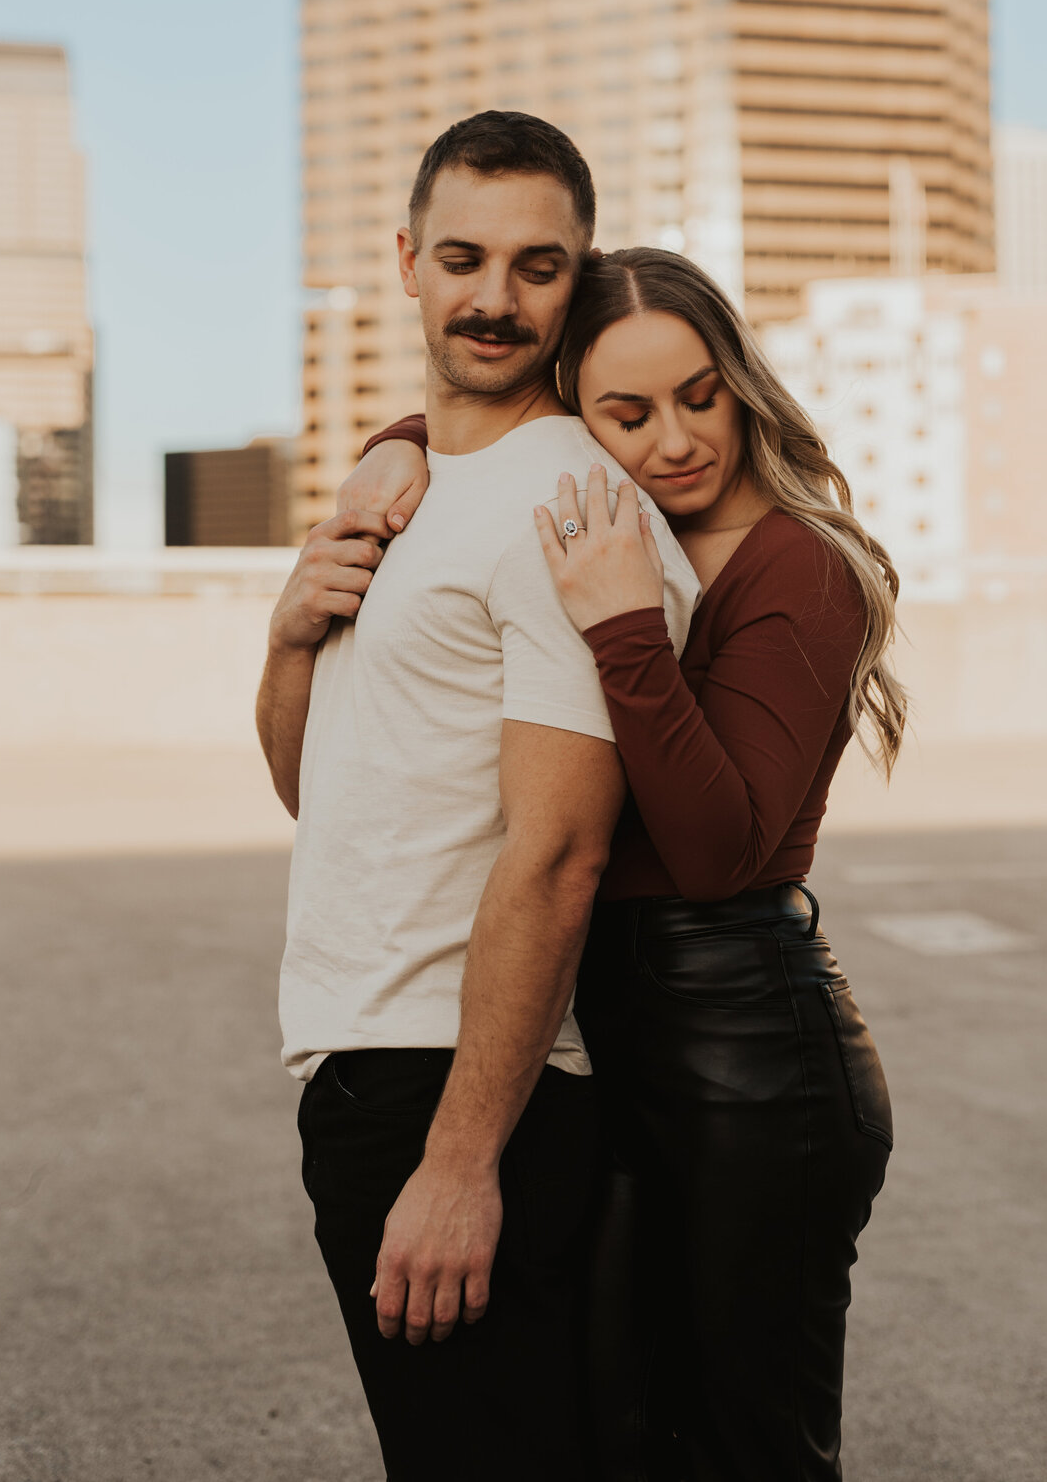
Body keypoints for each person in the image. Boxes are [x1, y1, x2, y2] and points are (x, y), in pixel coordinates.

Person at [343, 245, 906, 1481]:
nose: (675, 441)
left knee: (747, 1448)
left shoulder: (799, 566)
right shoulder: (613, 521)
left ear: (742, 382)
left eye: (700, 395)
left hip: (748, 1060)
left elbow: (715, 852)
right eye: (628, 413)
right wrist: (399, 439)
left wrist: (625, 633)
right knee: (618, 1427)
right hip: (611, 1042)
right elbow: (481, 413)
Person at [256, 117, 698, 1482]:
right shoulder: (416, 494)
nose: (495, 297)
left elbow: (559, 851)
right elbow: (316, 788)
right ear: (406, 260)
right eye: (462, 257)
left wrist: (460, 1160)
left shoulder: (566, 505)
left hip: (457, 1086)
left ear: (579, 277)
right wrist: (288, 637)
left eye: (536, 264)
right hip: (368, 1064)